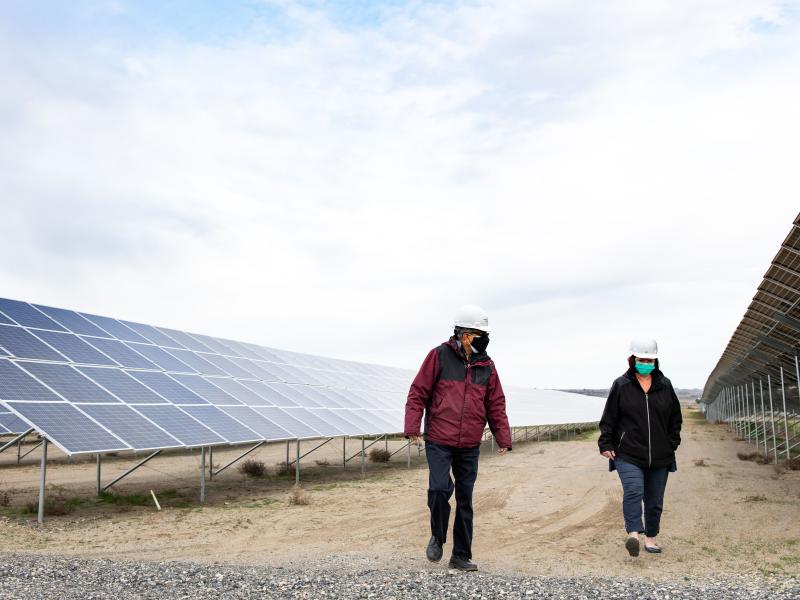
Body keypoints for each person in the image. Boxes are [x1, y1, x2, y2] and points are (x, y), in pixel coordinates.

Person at [404, 304, 512, 571]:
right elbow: (418, 391)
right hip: (439, 439)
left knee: (465, 499)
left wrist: (503, 437)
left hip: (469, 444)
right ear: (464, 334)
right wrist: (412, 427)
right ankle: (437, 537)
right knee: (440, 489)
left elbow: (495, 403)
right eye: (479, 334)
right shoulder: (438, 356)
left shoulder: (487, 365)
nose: (483, 339)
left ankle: (461, 555)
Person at [598, 338, 682, 557]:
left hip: (661, 455)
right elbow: (609, 417)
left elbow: (675, 417)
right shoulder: (621, 385)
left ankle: (651, 538)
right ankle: (633, 535)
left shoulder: (665, 385)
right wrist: (605, 443)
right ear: (632, 359)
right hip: (628, 453)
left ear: (656, 361)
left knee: (654, 502)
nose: (646, 363)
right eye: (641, 359)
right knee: (634, 491)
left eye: (650, 360)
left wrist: (672, 442)